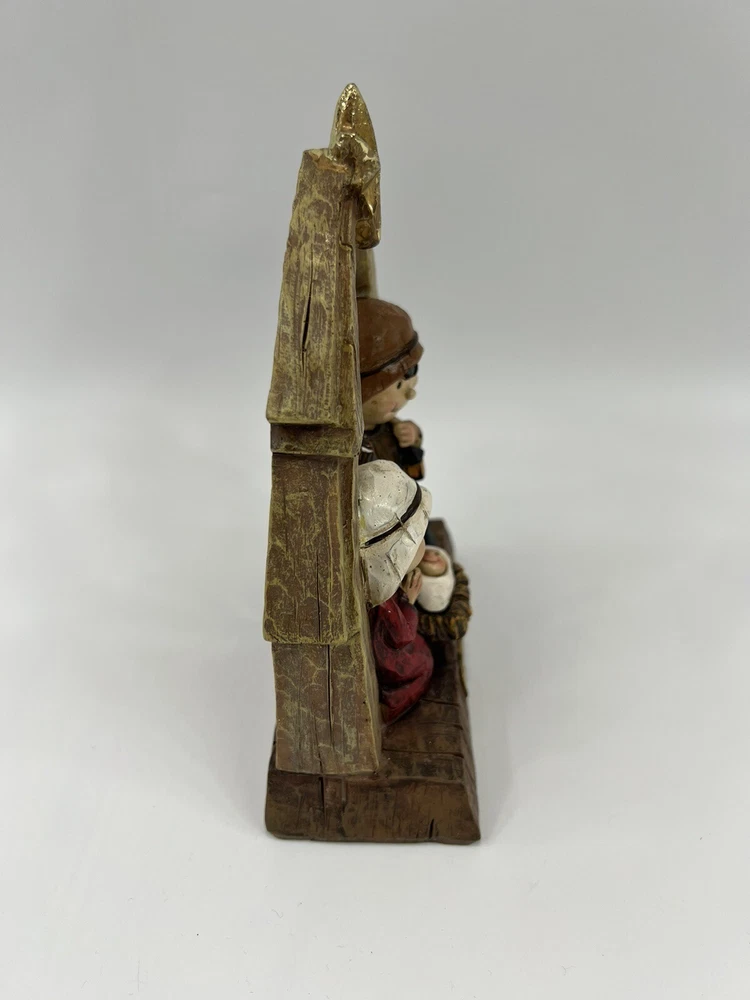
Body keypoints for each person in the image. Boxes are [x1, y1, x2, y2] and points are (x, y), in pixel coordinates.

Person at [358, 460, 434, 723]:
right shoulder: (384, 599)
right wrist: (409, 600)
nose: (423, 546)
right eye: (418, 540)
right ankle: (391, 707)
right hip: (385, 656)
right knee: (424, 665)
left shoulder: (382, 591)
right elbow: (401, 635)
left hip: (379, 643)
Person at [357, 298, 425, 480]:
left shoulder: (390, 429)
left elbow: (414, 470)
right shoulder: (352, 440)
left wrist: (413, 438)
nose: (411, 394)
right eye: (398, 385)